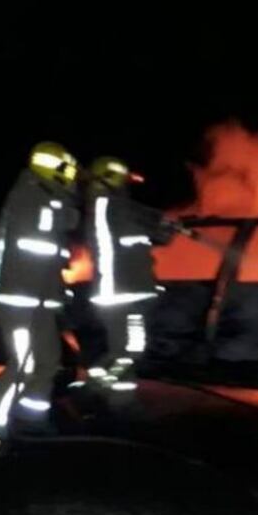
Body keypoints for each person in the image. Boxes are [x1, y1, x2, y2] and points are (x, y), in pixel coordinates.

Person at [0, 141, 81, 450]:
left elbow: (54, 248)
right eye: (69, 172)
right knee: (22, 364)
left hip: (41, 299)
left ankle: (31, 419)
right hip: (18, 298)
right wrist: (70, 202)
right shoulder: (31, 194)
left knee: (49, 361)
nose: (73, 178)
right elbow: (53, 227)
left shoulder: (49, 197)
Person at [82, 156, 174, 394]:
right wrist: (156, 221)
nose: (126, 185)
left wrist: (164, 227)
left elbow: (154, 238)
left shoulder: (121, 207)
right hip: (117, 293)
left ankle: (120, 401)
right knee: (127, 350)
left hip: (131, 293)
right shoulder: (105, 205)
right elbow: (128, 227)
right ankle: (91, 390)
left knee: (130, 349)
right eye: (122, 180)